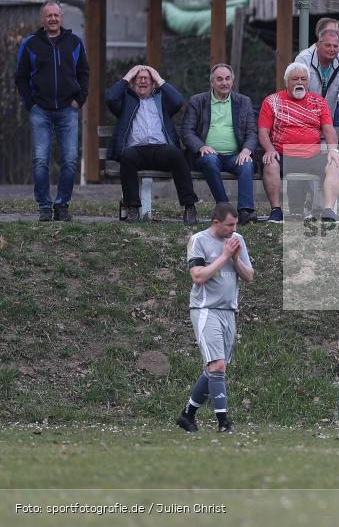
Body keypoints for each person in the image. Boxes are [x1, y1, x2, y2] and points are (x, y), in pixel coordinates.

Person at [176, 202, 254, 434]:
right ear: (216, 223)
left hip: (229, 311)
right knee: (217, 366)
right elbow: (198, 276)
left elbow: (249, 276)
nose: (233, 229)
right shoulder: (198, 240)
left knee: (215, 369)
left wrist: (236, 258)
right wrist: (224, 256)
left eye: (235, 225)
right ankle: (223, 423)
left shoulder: (237, 240)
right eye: (229, 225)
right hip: (205, 309)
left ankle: (187, 415)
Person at [15, 0, 89, 222]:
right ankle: (44, 207)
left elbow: (84, 73)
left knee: (70, 160)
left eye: (56, 15)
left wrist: (79, 99)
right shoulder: (30, 44)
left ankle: (62, 205)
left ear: (61, 17)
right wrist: (30, 103)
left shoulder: (74, 42)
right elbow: (21, 77)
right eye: (49, 16)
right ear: (42, 19)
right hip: (41, 110)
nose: (53, 19)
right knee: (40, 160)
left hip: (68, 109)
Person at [105, 65, 199, 224]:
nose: (142, 80)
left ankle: (189, 207)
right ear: (132, 84)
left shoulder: (161, 100)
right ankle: (133, 208)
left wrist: (158, 77)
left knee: (177, 154)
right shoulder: (126, 102)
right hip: (136, 152)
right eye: (138, 78)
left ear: (153, 84)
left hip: (161, 150)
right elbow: (110, 98)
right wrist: (128, 75)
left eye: (146, 78)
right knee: (126, 156)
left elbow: (178, 100)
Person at [257, 62, 339, 223]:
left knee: (335, 163)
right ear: (286, 82)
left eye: (303, 79)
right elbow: (263, 132)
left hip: (312, 155)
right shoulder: (272, 101)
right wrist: (269, 149)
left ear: (308, 82)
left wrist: (333, 150)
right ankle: (276, 211)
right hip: (282, 155)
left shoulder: (319, 102)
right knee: (270, 163)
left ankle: (328, 211)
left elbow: (329, 130)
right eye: (294, 79)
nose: (299, 82)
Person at [181, 63, 258, 226]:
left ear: (232, 81)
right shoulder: (198, 101)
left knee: (247, 164)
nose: (224, 83)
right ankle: (225, 209)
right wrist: (201, 146)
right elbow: (187, 132)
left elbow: (252, 132)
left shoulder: (243, 101)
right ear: (212, 83)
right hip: (207, 155)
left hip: (234, 156)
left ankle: (245, 211)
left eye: (228, 79)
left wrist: (246, 150)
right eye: (220, 79)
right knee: (210, 160)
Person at [294, 27, 339, 137]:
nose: (332, 49)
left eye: (335, 46)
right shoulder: (303, 59)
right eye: (328, 45)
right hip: (302, 122)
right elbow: (298, 93)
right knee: (304, 152)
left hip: (327, 122)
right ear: (318, 45)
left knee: (326, 152)